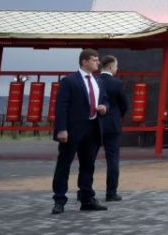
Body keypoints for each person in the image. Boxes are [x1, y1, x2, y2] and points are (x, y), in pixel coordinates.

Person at [51, 48, 108, 215]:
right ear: (84, 61)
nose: (97, 62)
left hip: (93, 129)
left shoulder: (99, 81)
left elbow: (105, 100)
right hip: (72, 130)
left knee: (88, 165)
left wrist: (104, 107)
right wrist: (62, 129)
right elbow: (61, 106)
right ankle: (59, 200)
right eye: (94, 60)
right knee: (64, 165)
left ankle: (86, 199)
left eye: (98, 60)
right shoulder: (69, 81)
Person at [98, 55, 130, 202]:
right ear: (111, 67)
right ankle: (111, 192)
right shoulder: (117, 84)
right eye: (116, 66)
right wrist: (118, 116)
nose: (117, 69)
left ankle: (84, 192)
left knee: (88, 159)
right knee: (112, 159)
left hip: (94, 124)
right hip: (112, 125)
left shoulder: (94, 81)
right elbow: (125, 105)